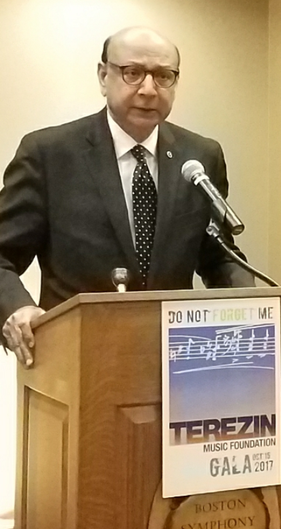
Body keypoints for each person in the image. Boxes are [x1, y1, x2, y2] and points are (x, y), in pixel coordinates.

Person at [0, 26, 251, 367]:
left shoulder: (201, 156)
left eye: (164, 76)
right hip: (76, 362)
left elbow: (216, 254)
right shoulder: (49, 154)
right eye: (133, 73)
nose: (149, 90)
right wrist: (17, 308)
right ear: (104, 76)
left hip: (178, 364)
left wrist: (253, 306)